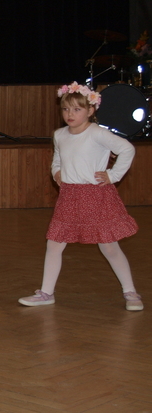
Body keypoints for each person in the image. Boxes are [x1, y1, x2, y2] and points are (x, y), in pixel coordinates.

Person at [19, 82, 143, 311]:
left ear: (90, 110)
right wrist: (57, 171)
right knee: (54, 244)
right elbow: (58, 158)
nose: (70, 114)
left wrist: (113, 175)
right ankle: (46, 293)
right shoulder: (60, 135)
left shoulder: (97, 133)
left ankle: (130, 292)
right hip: (69, 196)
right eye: (66, 109)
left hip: (96, 195)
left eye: (77, 109)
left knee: (109, 246)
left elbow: (127, 149)